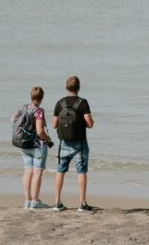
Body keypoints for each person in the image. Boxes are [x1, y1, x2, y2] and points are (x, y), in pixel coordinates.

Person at [51, 75, 94, 212]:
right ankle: (82, 203)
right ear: (79, 88)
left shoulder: (60, 103)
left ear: (66, 87)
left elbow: (53, 124)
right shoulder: (83, 103)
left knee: (60, 172)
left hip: (63, 143)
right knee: (81, 172)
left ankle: (57, 203)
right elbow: (90, 124)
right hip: (79, 143)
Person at [16, 86, 53, 210]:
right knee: (37, 173)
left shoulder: (23, 107)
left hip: (24, 144)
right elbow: (40, 131)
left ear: (31, 96)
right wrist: (48, 140)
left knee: (27, 172)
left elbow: (13, 120)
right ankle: (35, 201)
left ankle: (27, 201)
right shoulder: (39, 111)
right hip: (37, 146)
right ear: (41, 98)